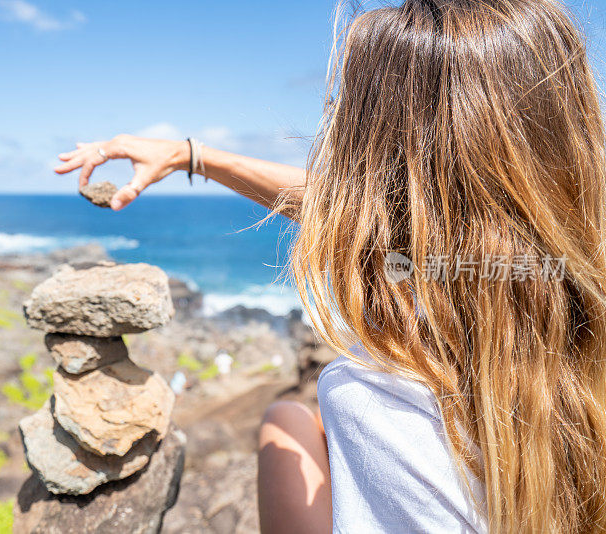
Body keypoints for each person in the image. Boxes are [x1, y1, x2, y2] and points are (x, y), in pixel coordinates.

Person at [54, 0, 606, 531]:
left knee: (286, 420)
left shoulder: (368, 396)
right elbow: (391, 220)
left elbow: (371, 219)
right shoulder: (569, 277)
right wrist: (190, 155)